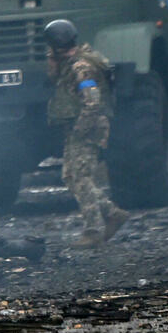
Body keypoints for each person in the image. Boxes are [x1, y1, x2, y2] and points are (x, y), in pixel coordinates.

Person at [44, 19, 129, 247]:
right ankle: (112, 213)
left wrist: (80, 131)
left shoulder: (81, 67)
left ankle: (93, 230)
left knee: (81, 177)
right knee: (71, 177)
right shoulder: (70, 64)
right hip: (79, 128)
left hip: (87, 128)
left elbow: (92, 103)